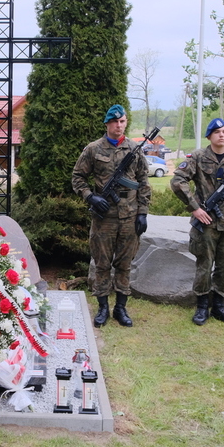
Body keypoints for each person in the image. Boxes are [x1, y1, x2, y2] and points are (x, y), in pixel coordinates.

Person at [71, 104, 151, 328]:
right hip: (104, 217)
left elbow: (144, 183)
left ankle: (121, 308)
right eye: (115, 121)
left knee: (125, 264)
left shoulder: (135, 149)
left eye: (122, 121)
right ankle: (103, 307)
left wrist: (143, 213)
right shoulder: (93, 149)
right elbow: (77, 177)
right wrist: (90, 197)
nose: (119, 125)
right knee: (102, 264)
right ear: (107, 123)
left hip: (129, 217)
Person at [171, 118, 224, 326]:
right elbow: (178, 181)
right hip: (206, 223)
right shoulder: (198, 157)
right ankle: (201, 307)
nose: (222, 135)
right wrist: (195, 208)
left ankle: (219, 306)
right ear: (209, 136)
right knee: (204, 266)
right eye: (217, 132)